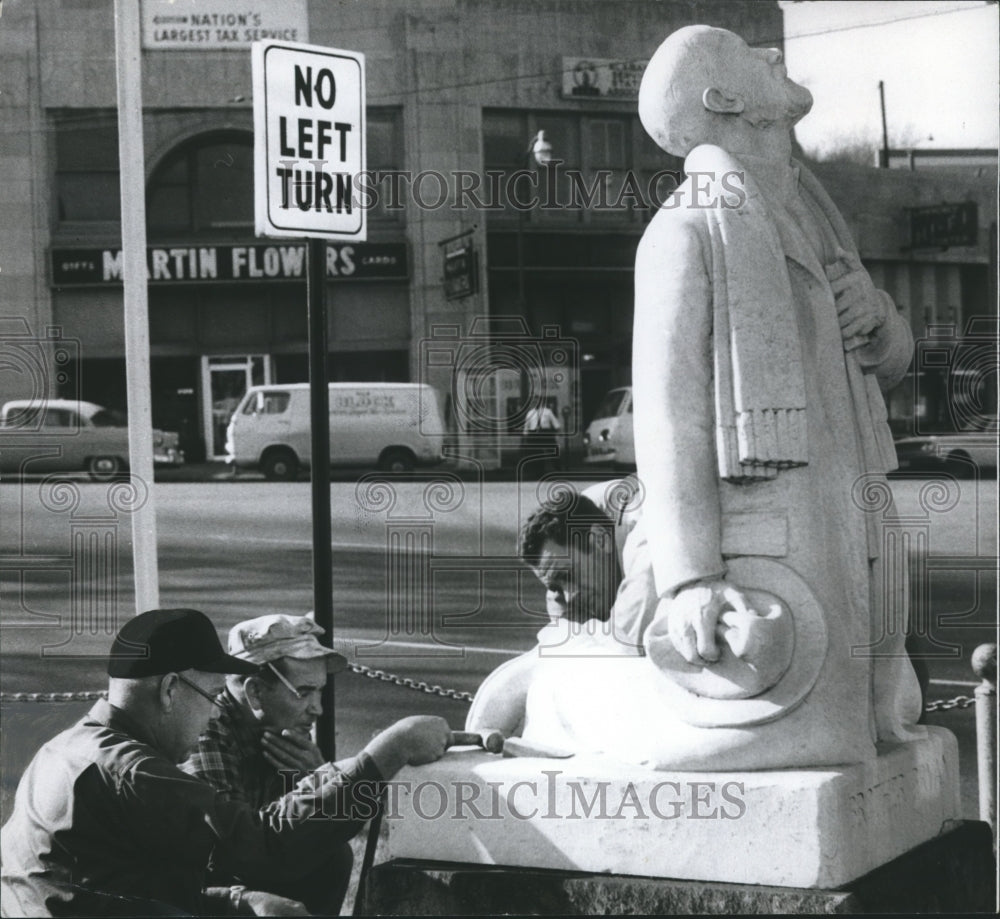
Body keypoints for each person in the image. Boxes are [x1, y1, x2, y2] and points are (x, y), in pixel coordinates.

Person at [508, 25, 923, 770]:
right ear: (725, 98)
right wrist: (692, 575)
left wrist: (880, 319)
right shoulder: (687, 230)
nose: (770, 53)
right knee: (797, 735)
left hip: (859, 523)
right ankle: (569, 709)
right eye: (743, 53)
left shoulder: (819, 221)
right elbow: (671, 425)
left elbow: (888, 369)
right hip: (772, 544)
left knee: (874, 719)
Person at [0, 608, 310, 917]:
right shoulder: (133, 770)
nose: (216, 712)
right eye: (213, 695)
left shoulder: (61, 749)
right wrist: (357, 768)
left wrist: (233, 900)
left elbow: (122, 891)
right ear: (169, 690)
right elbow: (261, 843)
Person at [180, 613, 451, 916]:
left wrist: (320, 777)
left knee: (330, 856)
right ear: (255, 691)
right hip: (184, 892)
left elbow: (309, 835)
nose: (317, 709)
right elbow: (242, 849)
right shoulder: (205, 731)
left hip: (229, 881)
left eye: (320, 691)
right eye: (304, 692)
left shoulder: (275, 724)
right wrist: (387, 751)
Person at [466, 481, 656, 737]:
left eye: (568, 575)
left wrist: (569, 631)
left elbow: (627, 645)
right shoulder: (586, 514)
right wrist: (563, 616)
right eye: (556, 586)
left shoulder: (647, 538)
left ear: (600, 540)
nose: (569, 596)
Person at [521, 398, 562, 474]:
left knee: (552, 450)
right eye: (534, 402)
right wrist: (525, 436)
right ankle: (537, 470)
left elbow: (555, 423)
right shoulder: (530, 413)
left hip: (545, 432)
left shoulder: (548, 412)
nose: (536, 403)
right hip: (534, 433)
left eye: (537, 402)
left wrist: (557, 432)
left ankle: (557, 468)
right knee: (535, 452)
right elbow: (526, 426)